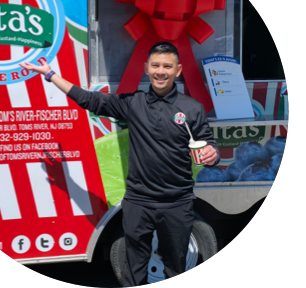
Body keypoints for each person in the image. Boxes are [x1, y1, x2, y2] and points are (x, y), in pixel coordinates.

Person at [19, 42, 219, 286]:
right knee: (133, 270)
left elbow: (207, 145)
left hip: (177, 203)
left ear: (178, 70)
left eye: (167, 66)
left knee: (176, 269)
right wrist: (51, 75)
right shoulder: (133, 103)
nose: (161, 71)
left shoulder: (192, 108)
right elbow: (89, 100)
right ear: (146, 68)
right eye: (155, 65)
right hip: (138, 202)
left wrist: (212, 154)